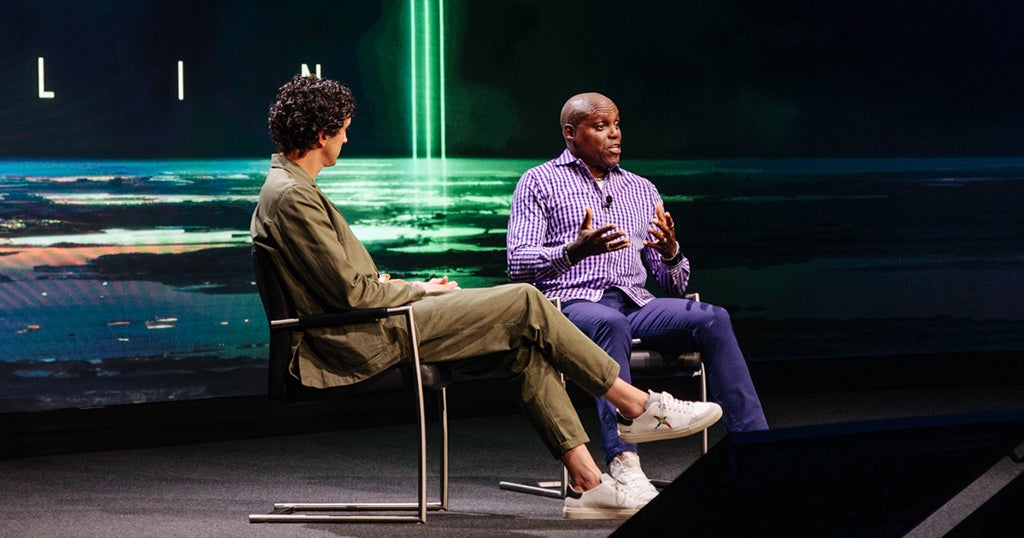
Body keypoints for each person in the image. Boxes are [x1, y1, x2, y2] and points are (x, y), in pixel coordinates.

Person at [250, 76, 723, 520]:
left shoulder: (292, 188)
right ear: (320, 134)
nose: (347, 138)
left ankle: (588, 483)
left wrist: (405, 286)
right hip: (360, 337)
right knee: (524, 301)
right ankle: (635, 405)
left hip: (377, 319)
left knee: (524, 347)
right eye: (343, 130)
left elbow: (343, 282)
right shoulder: (292, 196)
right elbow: (353, 294)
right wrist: (418, 289)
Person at [507, 92, 768, 502]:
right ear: (571, 133)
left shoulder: (641, 188)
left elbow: (672, 283)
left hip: (636, 302)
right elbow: (518, 264)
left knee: (712, 317)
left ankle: (756, 450)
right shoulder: (538, 182)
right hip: (570, 304)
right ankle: (624, 464)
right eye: (601, 126)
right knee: (609, 323)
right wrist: (574, 251)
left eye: (617, 125)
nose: (614, 134)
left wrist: (671, 252)